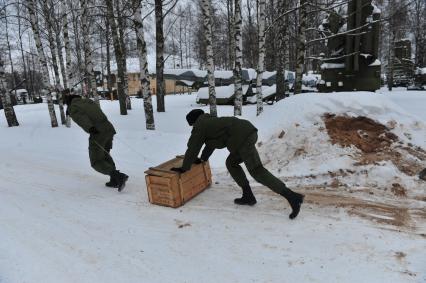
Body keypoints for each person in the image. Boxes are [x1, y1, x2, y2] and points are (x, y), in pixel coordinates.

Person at [171, 109, 304, 219]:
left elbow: (193, 147)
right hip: (246, 133)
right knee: (231, 163)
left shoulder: (200, 126)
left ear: (194, 122)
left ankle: (292, 197)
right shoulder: (210, 122)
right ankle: (248, 195)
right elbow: (210, 144)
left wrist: (184, 168)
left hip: (243, 138)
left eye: (192, 125)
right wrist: (203, 159)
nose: (193, 128)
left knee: (257, 171)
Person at [63, 91, 128, 191]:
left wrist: (90, 128)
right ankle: (114, 180)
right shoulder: (87, 101)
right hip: (108, 128)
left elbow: (81, 118)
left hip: (97, 132)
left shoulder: (74, 107)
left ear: (68, 102)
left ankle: (118, 176)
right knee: (105, 154)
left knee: (96, 161)